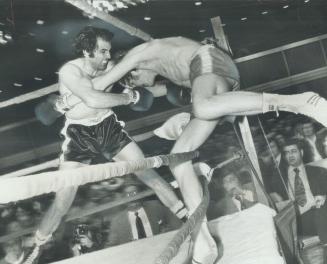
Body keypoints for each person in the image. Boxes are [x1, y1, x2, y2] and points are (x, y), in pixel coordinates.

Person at [59, 36, 327, 264]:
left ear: (131, 69)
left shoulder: (138, 55)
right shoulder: (164, 65)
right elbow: (161, 91)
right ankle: (203, 241)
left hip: (209, 62)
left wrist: (69, 97)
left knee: (202, 107)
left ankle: (297, 101)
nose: (141, 85)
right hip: (215, 85)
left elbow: (98, 87)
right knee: (179, 159)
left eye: (135, 81)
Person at [23, 27, 188, 264]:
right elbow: (93, 98)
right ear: (86, 51)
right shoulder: (70, 71)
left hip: (107, 126)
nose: (108, 56)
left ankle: (188, 220)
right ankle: (36, 248)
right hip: (79, 134)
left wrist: (178, 83)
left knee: (148, 173)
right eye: (102, 51)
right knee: (63, 201)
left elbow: (143, 78)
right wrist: (128, 98)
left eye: (108, 51)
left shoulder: (110, 66)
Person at [273, 138, 327, 245]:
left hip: (320, 213)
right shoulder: (279, 180)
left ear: (301, 152)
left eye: (293, 151)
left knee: (321, 211)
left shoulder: (318, 171)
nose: (290, 155)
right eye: (286, 153)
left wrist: (324, 197)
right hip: (299, 221)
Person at [105, 176, 182, 247]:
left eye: (135, 193)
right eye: (128, 195)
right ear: (123, 199)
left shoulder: (155, 206)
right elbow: (111, 246)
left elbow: (177, 224)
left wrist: (165, 235)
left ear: (141, 194)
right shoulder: (117, 221)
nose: (132, 197)